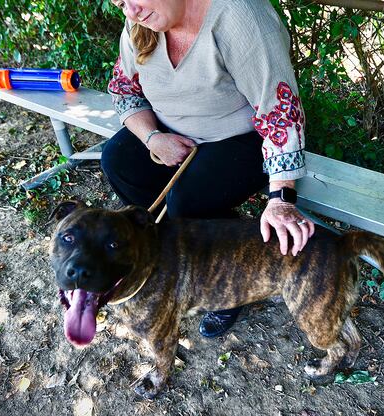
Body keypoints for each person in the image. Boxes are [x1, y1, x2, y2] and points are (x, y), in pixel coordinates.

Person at [101, 0, 315, 337]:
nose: (130, 12)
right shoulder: (142, 20)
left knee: (188, 200)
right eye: (119, 4)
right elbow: (124, 92)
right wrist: (153, 137)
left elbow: (279, 110)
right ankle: (167, 250)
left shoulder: (240, 16)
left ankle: (228, 284)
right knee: (118, 160)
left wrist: (282, 198)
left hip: (242, 139)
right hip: (170, 133)